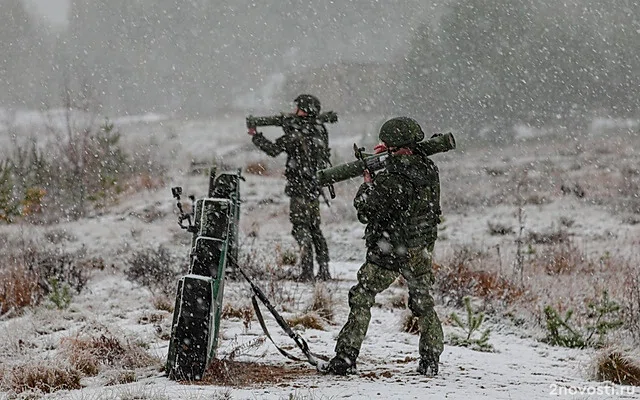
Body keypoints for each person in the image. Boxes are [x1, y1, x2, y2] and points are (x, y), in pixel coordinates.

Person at [321, 117, 444, 376]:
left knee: (362, 296)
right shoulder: (429, 168)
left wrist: (368, 185)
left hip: (391, 249)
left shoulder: (393, 177)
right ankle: (431, 359)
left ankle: (345, 357)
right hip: (420, 248)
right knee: (423, 302)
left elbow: (368, 211)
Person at [248, 94, 332, 281]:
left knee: (300, 228)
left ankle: (307, 271)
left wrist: (256, 136)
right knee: (315, 228)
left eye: (298, 108)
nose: (294, 111)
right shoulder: (320, 130)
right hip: (314, 187)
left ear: (305, 110)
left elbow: (273, 149)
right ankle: (324, 268)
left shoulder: (297, 133)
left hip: (299, 187)